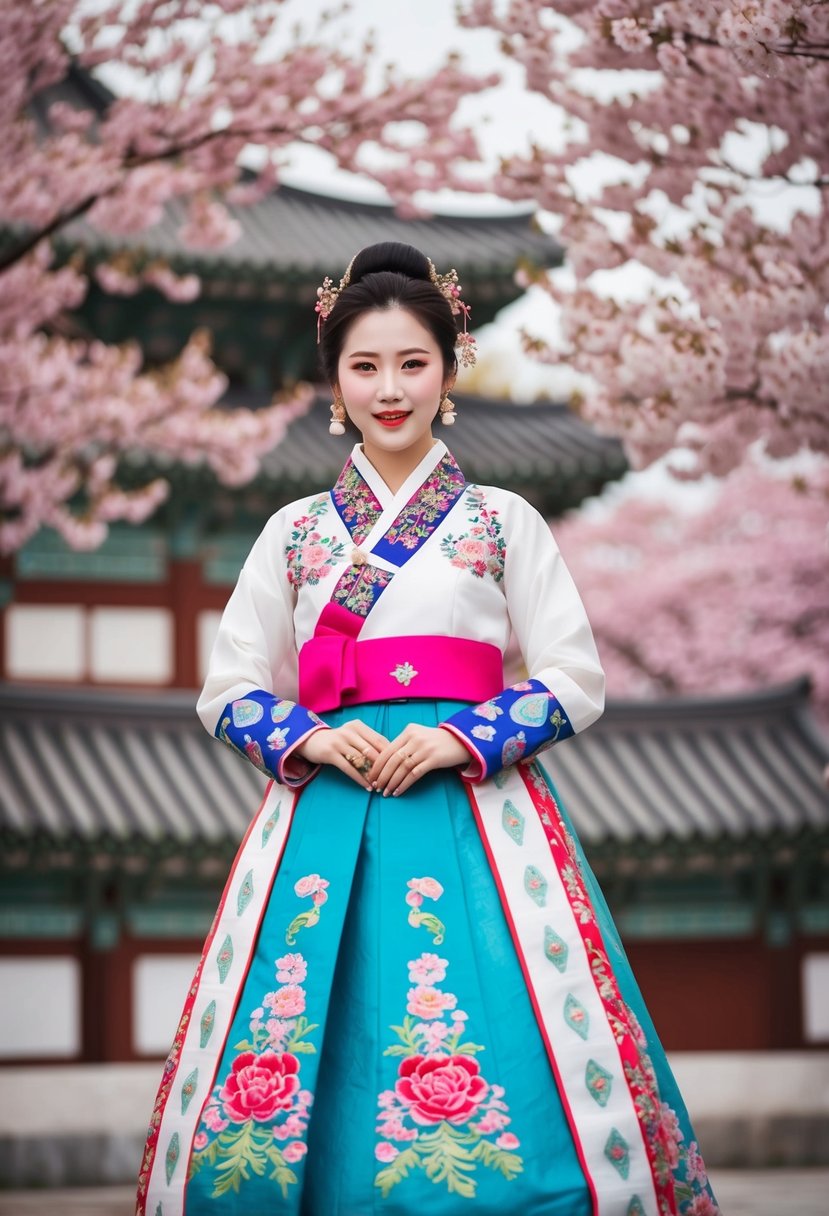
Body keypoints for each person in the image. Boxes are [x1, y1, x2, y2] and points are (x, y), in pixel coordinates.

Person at [136, 243, 720, 1216]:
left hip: (480, 805)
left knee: (506, 1009)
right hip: (326, 806)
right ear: (334, 381)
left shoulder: (501, 519)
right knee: (310, 1016)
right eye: (364, 365)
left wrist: (464, 737)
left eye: (412, 362)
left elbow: (575, 675)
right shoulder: (292, 531)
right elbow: (230, 687)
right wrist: (313, 737)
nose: (389, 387)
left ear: (449, 370)